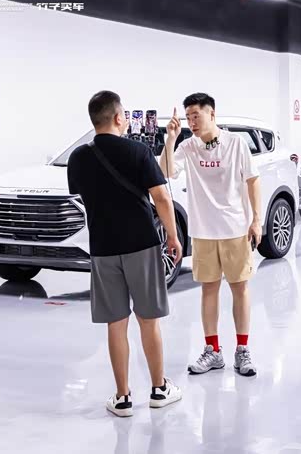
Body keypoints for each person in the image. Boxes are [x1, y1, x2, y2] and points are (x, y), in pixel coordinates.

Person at [68, 90, 183, 417]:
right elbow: (161, 197)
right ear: (119, 117)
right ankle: (159, 389)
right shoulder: (138, 151)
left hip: (103, 249)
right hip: (141, 245)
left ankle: (122, 398)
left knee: (115, 324)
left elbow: (82, 196)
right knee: (148, 321)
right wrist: (173, 236)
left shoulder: (78, 158)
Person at [159, 92, 261, 377]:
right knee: (209, 289)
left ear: (212, 114)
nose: (192, 122)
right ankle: (213, 351)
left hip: (235, 229)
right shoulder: (188, 147)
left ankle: (242, 350)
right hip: (203, 232)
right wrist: (171, 139)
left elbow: (253, 181)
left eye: (196, 115)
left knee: (239, 288)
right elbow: (165, 171)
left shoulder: (235, 143)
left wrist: (257, 220)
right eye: (188, 117)